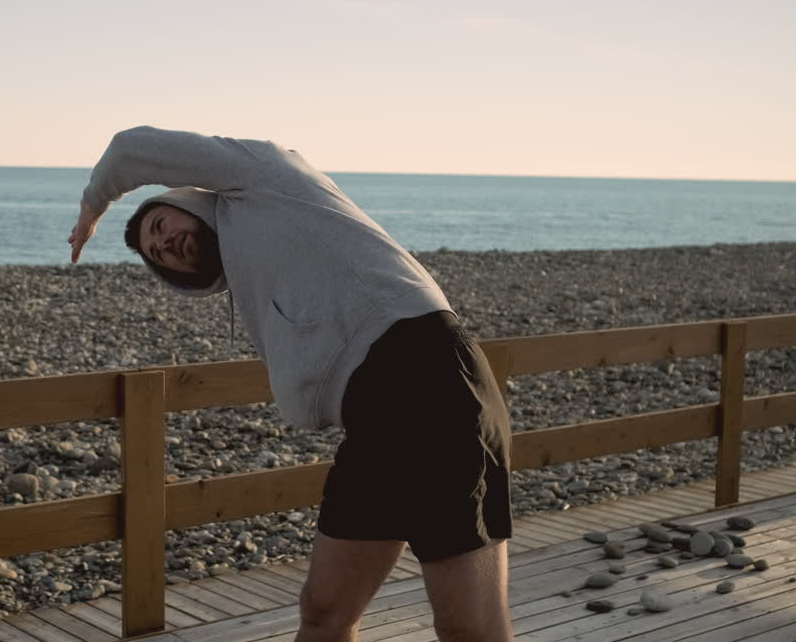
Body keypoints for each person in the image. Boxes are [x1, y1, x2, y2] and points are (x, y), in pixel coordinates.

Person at [69, 126, 515, 642]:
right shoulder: (257, 279)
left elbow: (130, 146)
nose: (165, 243)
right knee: (325, 611)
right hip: (371, 423)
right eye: (158, 252)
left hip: (427, 383)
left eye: (161, 224)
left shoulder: (265, 177)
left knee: (466, 626)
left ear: (190, 201)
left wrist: (92, 207)